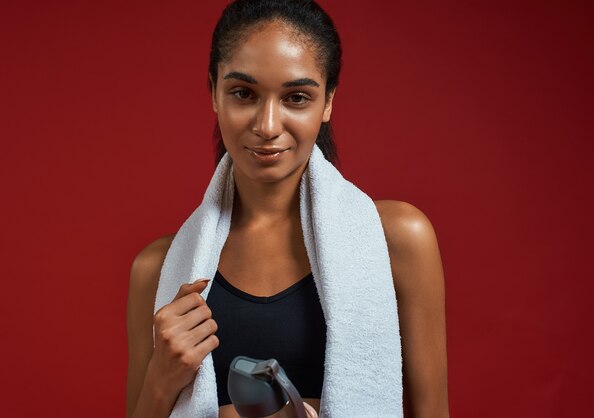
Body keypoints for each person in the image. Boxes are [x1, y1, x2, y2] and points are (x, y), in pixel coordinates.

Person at [126, 0, 450, 417]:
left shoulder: (397, 241)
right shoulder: (158, 269)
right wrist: (162, 379)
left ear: (328, 101)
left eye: (296, 97)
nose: (267, 125)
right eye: (243, 93)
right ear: (213, 92)